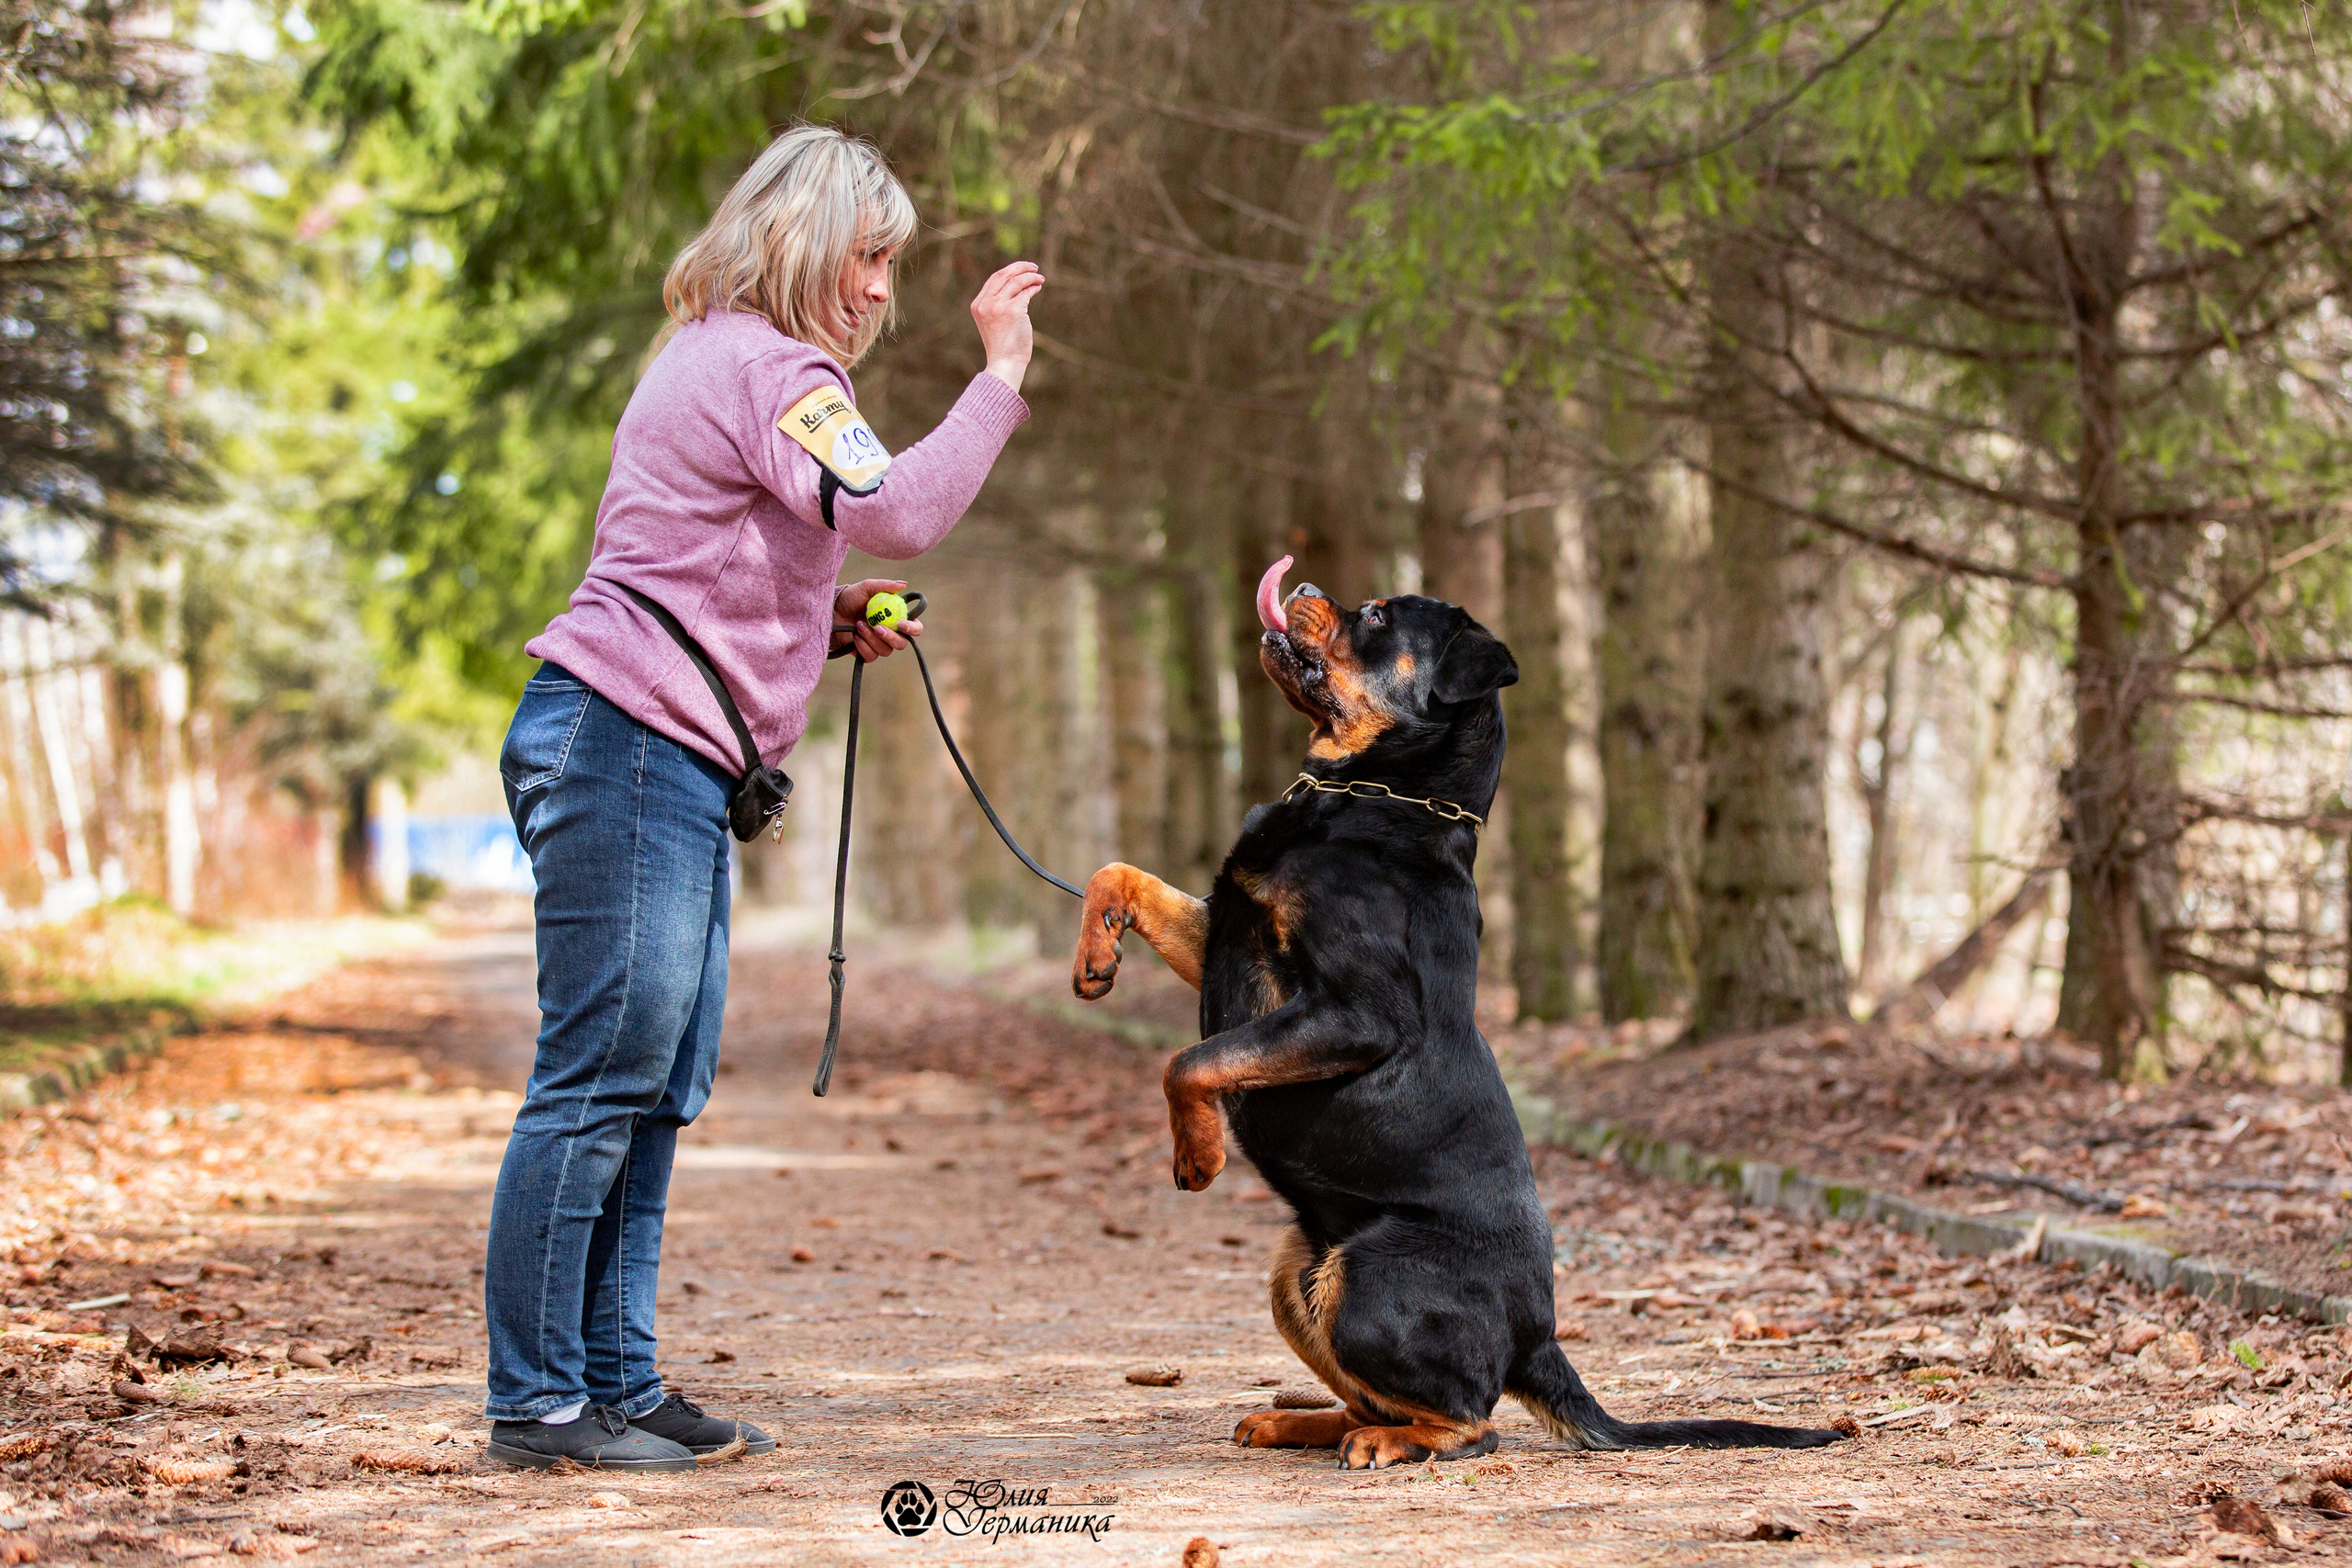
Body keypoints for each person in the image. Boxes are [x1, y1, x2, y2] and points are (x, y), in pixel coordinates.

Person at [483, 124, 1043, 1471]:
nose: (877, 290)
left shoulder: (713, 363)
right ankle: (541, 1404)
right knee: (601, 1075)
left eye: (887, 264)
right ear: (804, 246)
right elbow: (898, 504)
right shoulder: (773, 368)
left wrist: (827, 617)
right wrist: (1001, 377)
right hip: (627, 746)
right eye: (867, 257)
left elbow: (704, 554)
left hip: (645, 745)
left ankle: (614, 1384)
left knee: (652, 1081)